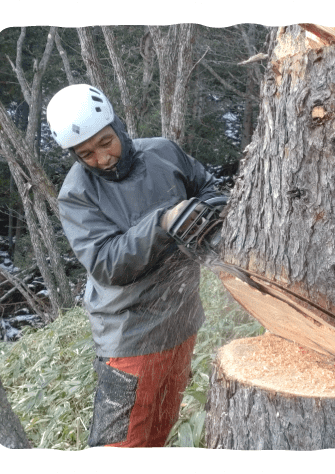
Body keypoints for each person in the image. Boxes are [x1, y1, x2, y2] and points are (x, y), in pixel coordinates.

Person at [47, 84, 219, 447]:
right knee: (121, 449)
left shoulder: (163, 152)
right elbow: (107, 263)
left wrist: (209, 218)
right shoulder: (77, 195)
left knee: (160, 428)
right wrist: (162, 224)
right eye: (87, 153)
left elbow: (208, 188)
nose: (103, 158)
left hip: (182, 322)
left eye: (106, 142)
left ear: (118, 125)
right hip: (131, 338)